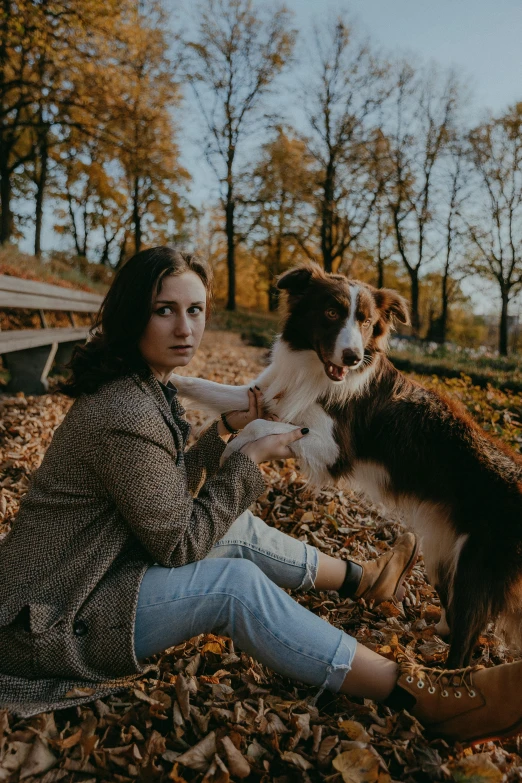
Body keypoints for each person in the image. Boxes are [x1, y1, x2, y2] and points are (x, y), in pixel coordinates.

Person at [0, 246, 521, 745]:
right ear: (133, 313)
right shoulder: (126, 413)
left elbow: (163, 485)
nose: (185, 328)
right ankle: (415, 693)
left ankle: (365, 580)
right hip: (51, 618)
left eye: (196, 310)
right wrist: (247, 460)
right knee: (233, 585)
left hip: (92, 570)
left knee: (236, 528)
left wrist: (226, 427)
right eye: (165, 311)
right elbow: (179, 546)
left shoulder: (138, 385)